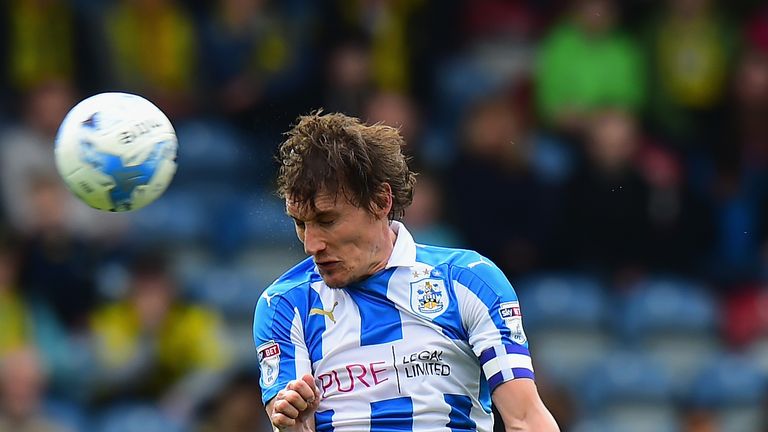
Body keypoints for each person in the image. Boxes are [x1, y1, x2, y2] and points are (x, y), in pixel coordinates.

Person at [252, 112, 559, 431]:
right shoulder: (284, 306)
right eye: (301, 224)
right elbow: (294, 424)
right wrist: (293, 428)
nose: (311, 244)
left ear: (381, 201)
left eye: (327, 220)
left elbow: (525, 418)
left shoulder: (468, 280)